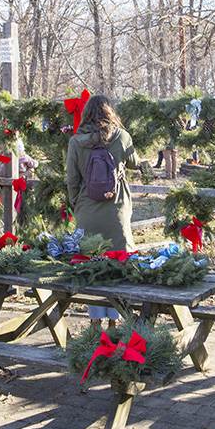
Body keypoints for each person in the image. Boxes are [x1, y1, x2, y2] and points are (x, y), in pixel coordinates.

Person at [66, 95, 139, 328]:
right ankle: (115, 319)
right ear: (110, 113)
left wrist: (78, 203)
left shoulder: (76, 142)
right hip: (116, 208)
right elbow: (134, 163)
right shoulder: (122, 136)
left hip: (87, 209)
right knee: (119, 263)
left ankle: (95, 319)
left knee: (91, 265)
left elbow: (71, 179)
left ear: (86, 115)